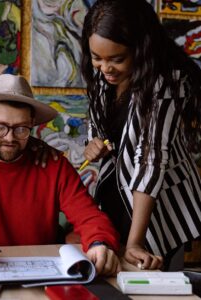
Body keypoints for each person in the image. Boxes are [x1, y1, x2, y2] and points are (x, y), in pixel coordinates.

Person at [0, 74, 121, 276]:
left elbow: (90, 217)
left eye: (21, 129)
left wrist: (99, 242)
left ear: (32, 124)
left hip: (41, 276)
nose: (9, 138)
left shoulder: (54, 166)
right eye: (0, 127)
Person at [80, 0, 201, 271]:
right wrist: (93, 144)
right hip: (117, 194)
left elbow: (151, 159)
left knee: (154, 283)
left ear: (141, 48)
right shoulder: (104, 74)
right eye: (97, 57)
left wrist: (136, 242)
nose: (105, 68)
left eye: (116, 59)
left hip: (156, 206)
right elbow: (99, 124)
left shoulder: (167, 82)